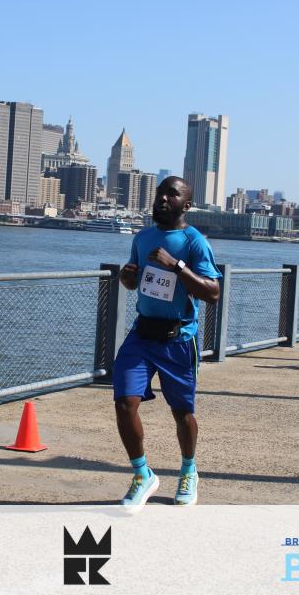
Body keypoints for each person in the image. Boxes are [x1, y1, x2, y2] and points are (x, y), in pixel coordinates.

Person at [115, 176, 221, 509]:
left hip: (178, 339)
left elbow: (213, 292)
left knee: (182, 413)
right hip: (141, 335)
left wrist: (176, 266)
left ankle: (189, 470)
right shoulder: (143, 237)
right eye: (160, 193)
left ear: (186, 205)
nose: (163, 199)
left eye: (171, 195)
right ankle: (142, 474)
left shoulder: (194, 242)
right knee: (124, 402)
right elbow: (135, 282)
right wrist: (127, 278)